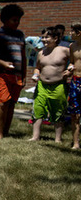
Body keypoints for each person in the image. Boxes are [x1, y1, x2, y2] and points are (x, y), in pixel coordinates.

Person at [0, 4, 26, 139]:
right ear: (5, 20)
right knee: (2, 101)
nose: (17, 23)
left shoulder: (20, 35)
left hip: (16, 75)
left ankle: (6, 131)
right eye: (14, 20)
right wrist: (3, 63)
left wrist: (24, 75)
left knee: (11, 103)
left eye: (18, 20)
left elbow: (23, 56)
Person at [29, 26, 72, 142]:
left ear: (55, 38)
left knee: (58, 111)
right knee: (38, 109)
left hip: (58, 85)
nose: (44, 40)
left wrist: (69, 70)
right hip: (42, 85)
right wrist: (36, 75)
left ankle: (58, 139)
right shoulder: (41, 53)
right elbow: (37, 68)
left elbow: (74, 61)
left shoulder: (64, 50)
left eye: (47, 37)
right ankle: (35, 137)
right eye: (42, 37)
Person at [69, 22, 81, 150]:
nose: (70, 33)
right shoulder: (72, 46)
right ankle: (76, 143)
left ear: (79, 32)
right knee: (74, 114)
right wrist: (70, 68)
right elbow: (72, 62)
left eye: (72, 31)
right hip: (75, 81)